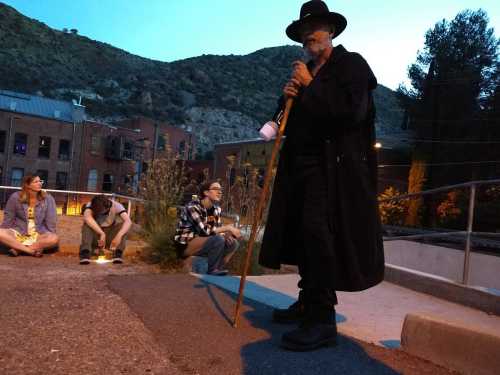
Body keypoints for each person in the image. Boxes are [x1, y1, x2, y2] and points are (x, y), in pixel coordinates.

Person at [259, 0, 385, 351]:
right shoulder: (307, 73)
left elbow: (350, 114)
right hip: (300, 168)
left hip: (334, 172)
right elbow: (295, 121)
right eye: (303, 30)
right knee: (302, 235)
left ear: (331, 31)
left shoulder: (352, 66)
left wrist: (310, 85)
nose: (309, 34)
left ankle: (322, 319)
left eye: (316, 27)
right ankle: (307, 301)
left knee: (318, 236)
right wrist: (287, 100)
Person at [174, 180, 241, 276]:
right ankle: (212, 270)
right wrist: (227, 228)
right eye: (216, 189)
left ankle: (218, 268)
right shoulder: (193, 207)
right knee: (218, 239)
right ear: (206, 192)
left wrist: (225, 235)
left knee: (233, 243)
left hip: (205, 241)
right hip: (186, 244)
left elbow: (216, 229)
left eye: (221, 190)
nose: (220, 192)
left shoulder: (216, 209)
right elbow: (204, 231)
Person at [0, 175, 59, 257]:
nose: (39, 184)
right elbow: (8, 218)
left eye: (40, 181)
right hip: (19, 231)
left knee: (54, 238)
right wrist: (4, 234)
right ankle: (30, 251)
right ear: (27, 185)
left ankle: (18, 249)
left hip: (38, 233)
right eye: (36, 182)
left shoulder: (48, 198)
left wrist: (50, 235)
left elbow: (51, 220)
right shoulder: (15, 197)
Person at [79, 195, 132, 264]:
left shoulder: (117, 205)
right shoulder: (90, 205)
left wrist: (118, 236)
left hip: (111, 238)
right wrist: (101, 233)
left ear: (108, 207)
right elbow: (87, 218)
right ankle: (85, 253)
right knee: (87, 225)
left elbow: (128, 221)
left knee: (123, 226)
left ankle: (117, 253)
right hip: (96, 236)